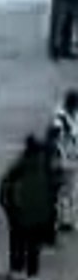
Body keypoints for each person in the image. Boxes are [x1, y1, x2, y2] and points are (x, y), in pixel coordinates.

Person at [0, 136, 57, 280]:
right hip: (38, 220)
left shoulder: (17, 167)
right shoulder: (46, 167)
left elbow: (3, 192)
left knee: (16, 255)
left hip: (18, 219)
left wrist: (9, 212)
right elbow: (53, 196)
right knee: (33, 255)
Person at [52, 91, 78, 232]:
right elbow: (54, 138)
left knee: (71, 192)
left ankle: (68, 220)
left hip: (74, 160)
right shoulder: (60, 118)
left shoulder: (75, 116)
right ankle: (62, 221)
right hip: (63, 160)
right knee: (62, 192)